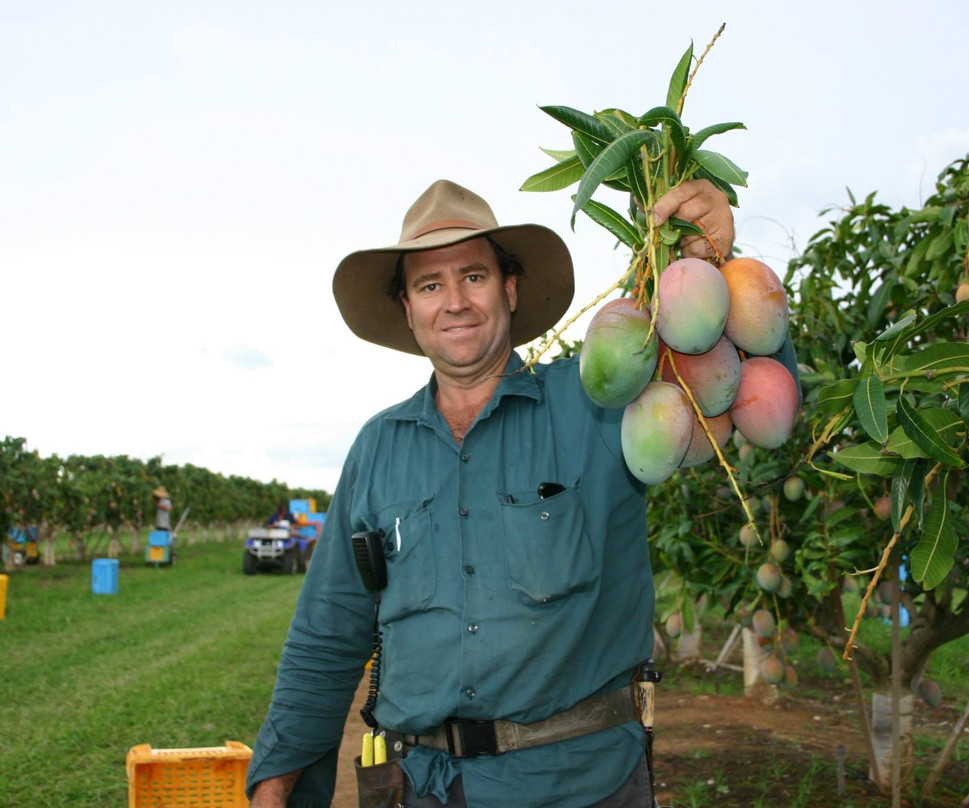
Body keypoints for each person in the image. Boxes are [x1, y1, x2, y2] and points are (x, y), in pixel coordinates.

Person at [247, 178, 739, 808]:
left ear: (509, 289)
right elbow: (328, 630)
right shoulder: (378, 448)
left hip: (578, 787)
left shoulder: (600, 402)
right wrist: (275, 782)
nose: (454, 301)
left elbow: (729, 394)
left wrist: (714, 262)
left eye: (473, 276)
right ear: (407, 308)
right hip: (421, 788)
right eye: (430, 285)